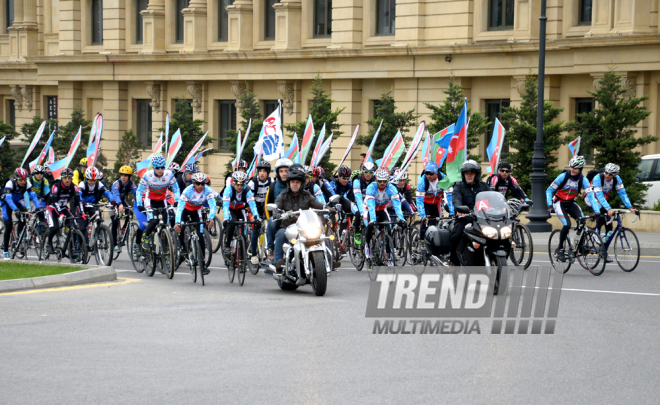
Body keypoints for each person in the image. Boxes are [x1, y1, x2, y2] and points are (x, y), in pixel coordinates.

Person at [546, 156, 601, 260]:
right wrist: (549, 205)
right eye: (571, 167)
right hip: (559, 202)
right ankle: (560, 249)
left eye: (575, 168)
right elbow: (549, 191)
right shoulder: (563, 176)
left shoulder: (583, 180)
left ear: (580, 169)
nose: (572, 170)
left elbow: (591, 197)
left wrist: (597, 211)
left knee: (582, 223)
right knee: (567, 225)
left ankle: (579, 247)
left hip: (571, 202)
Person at [273, 167, 324, 272]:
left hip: (304, 226)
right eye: (292, 182)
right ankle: (277, 262)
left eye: (297, 182)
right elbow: (276, 205)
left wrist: (328, 208)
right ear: (289, 183)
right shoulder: (283, 195)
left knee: (321, 233)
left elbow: (318, 205)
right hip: (288, 226)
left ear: (301, 183)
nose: (295, 184)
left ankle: (326, 258)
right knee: (280, 234)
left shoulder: (307, 195)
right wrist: (276, 212)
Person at [450, 160, 492, 266]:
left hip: (482, 220)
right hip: (465, 218)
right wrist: (460, 209)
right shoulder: (459, 186)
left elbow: (492, 198)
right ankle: (453, 261)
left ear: (476, 175)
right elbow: (456, 199)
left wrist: (501, 208)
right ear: (463, 174)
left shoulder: (483, 187)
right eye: (466, 173)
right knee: (456, 235)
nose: (469, 175)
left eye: (471, 173)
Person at [175, 172, 217, 275]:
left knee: (200, 235)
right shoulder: (188, 191)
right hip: (185, 210)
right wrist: (177, 222)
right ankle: (183, 248)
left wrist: (210, 218)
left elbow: (213, 205)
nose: (201, 186)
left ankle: (202, 265)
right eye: (198, 184)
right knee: (181, 227)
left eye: (203, 183)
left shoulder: (207, 190)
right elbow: (180, 208)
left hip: (196, 211)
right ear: (193, 183)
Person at [136, 155, 180, 250]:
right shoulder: (148, 175)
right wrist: (139, 204)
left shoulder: (169, 174)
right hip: (150, 200)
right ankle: (146, 237)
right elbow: (139, 190)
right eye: (158, 168)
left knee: (165, 223)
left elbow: (176, 188)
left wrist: (177, 200)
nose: (160, 170)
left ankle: (164, 245)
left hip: (162, 200)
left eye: (162, 167)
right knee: (154, 221)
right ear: (153, 167)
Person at [364, 168, 406, 264]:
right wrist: (373, 220)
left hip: (382, 209)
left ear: (388, 180)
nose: (382, 183)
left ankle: (388, 256)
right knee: (369, 227)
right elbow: (370, 205)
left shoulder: (391, 188)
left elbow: (397, 205)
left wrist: (401, 219)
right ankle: (367, 247)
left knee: (388, 228)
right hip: (370, 210)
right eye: (379, 181)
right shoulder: (371, 187)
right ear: (376, 180)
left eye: (384, 181)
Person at [590, 163, 639, 242]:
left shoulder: (617, 179)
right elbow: (599, 196)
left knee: (609, 223)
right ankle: (596, 231)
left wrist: (630, 207)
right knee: (603, 211)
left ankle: (604, 250)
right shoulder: (598, 177)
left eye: (610, 174)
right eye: (606, 172)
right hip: (591, 198)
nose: (607, 175)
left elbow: (622, 194)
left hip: (602, 200)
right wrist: (609, 208)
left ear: (615, 175)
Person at [44, 168, 86, 256]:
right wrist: (61, 214)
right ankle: (49, 243)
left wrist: (82, 213)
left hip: (63, 208)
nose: (67, 180)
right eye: (65, 178)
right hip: (52, 208)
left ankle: (71, 249)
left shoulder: (74, 187)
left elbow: (79, 202)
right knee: (55, 227)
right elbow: (55, 203)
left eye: (69, 178)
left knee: (74, 226)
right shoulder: (56, 187)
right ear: (62, 178)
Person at [222, 171, 261, 263]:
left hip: (241, 209)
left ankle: (242, 257)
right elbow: (225, 206)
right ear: (233, 183)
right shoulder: (228, 189)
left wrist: (257, 218)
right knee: (232, 222)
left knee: (243, 232)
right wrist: (226, 218)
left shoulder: (247, 190)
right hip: (231, 209)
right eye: (237, 184)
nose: (240, 187)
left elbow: (252, 205)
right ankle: (227, 246)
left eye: (242, 184)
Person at [2, 168, 41, 258]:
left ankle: (19, 236)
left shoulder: (27, 184)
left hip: (16, 201)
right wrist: (15, 210)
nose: (23, 182)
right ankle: (5, 250)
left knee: (25, 216)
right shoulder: (10, 183)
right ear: (16, 178)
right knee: (8, 225)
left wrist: (39, 207)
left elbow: (33, 196)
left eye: (24, 179)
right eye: (20, 180)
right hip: (6, 203)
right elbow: (8, 199)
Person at [416, 162, 454, 239]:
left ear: (436, 173)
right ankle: (422, 241)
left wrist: (452, 213)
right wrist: (423, 216)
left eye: (431, 174)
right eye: (426, 173)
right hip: (425, 203)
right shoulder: (422, 182)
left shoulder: (443, 179)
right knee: (425, 221)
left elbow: (450, 197)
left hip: (436, 203)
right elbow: (419, 200)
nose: (428, 176)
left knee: (435, 224)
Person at [264, 158, 292, 261]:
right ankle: (271, 247)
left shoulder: (296, 184)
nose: (284, 174)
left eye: (286, 171)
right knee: (271, 221)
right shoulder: (272, 187)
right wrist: (270, 217)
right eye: (281, 171)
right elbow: (267, 205)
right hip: (279, 218)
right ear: (277, 173)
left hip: (294, 218)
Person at [326, 165, 361, 236]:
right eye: (344, 178)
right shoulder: (333, 184)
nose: (346, 180)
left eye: (347, 178)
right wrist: (335, 206)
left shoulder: (350, 183)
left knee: (350, 210)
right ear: (338, 176)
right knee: (332, 220)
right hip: (332, 201)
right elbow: (332, 196)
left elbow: (353, 195)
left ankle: (344, 232)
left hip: (342, 199)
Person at [111, 166, 138, 253]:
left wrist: (141, 203)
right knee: (115, 220)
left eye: (126, 175)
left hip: (122, 201)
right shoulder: (116, 183)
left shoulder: (131, 183)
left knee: (130, 212)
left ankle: (123, 230)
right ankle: (114, 244)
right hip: (113, 201)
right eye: (122, 175)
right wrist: (119, 204)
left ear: (129, 177)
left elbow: (137, 193)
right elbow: (116, 195)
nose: (123, 177)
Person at [353, 162, 376, 236]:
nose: (368, 174)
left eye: (370, 172)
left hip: (369, 202)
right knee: (358, 214)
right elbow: (358, 197)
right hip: (357, 202)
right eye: (366, 172)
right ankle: (356, 232)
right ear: (363, 171)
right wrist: (362, 211)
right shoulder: (357, 180)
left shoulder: (375, 181)